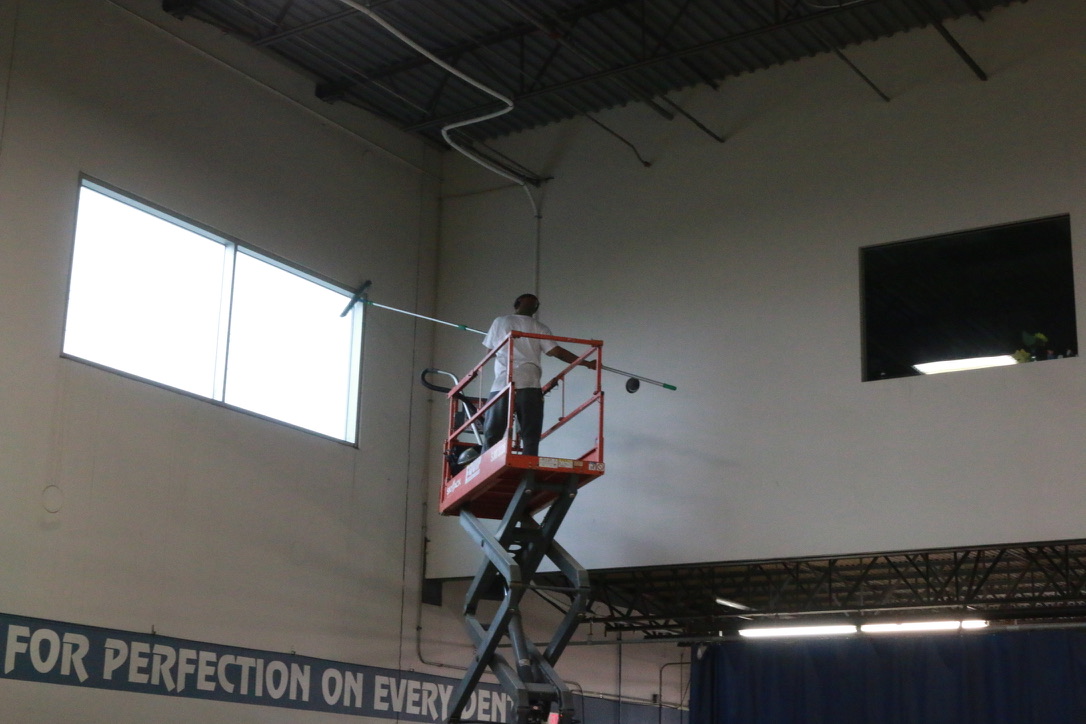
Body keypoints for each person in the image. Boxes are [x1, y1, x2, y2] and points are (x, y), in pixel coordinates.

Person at [481, 293, 595, 457]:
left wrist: (502, 343)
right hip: (530, 383)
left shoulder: (501, 322)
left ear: (516, 304)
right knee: (530, 435)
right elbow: (556, 352)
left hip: (504, 383)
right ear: (535, 309)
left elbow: (489, 353)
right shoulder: (539, 327)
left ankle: (485, 462)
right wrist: (586, 363)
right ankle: (529, 465)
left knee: (493, 432)